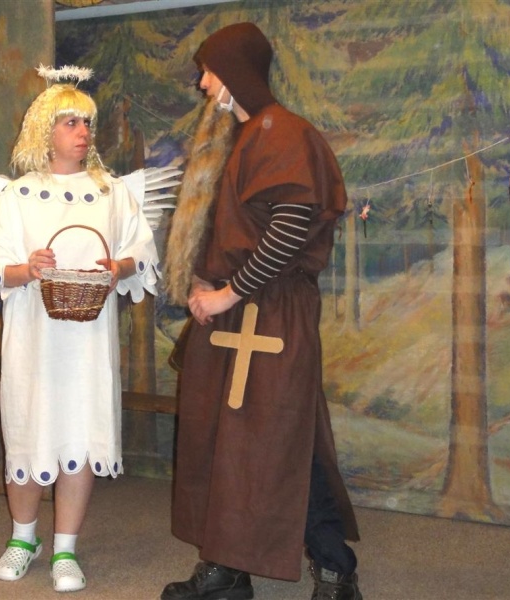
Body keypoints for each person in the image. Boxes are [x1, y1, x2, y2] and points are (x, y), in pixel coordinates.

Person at [162, 23, 363, 600]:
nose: (203, 84)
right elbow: (231, 228)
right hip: (233, 312)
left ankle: (335, 569)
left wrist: (229, 293)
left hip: (270, 312)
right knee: (223, 441)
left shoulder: (283, 133)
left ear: (236, 73)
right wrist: (205, 282)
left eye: (210, 71)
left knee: (278, 438)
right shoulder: (242, 136)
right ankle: (228, 569)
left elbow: (290, 228)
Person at [0, 66, 159, 593]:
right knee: (28, 430)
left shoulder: (112, 192)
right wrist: (26, 268)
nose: (83, 132)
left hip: (88, 338)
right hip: (34, 336)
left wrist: (118, 268)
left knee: (81, 431)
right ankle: (23, 538)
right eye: (70, 122)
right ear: (45, 130)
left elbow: (140, 253)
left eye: (87, 123)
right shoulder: (18, 195)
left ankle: (65, 549)